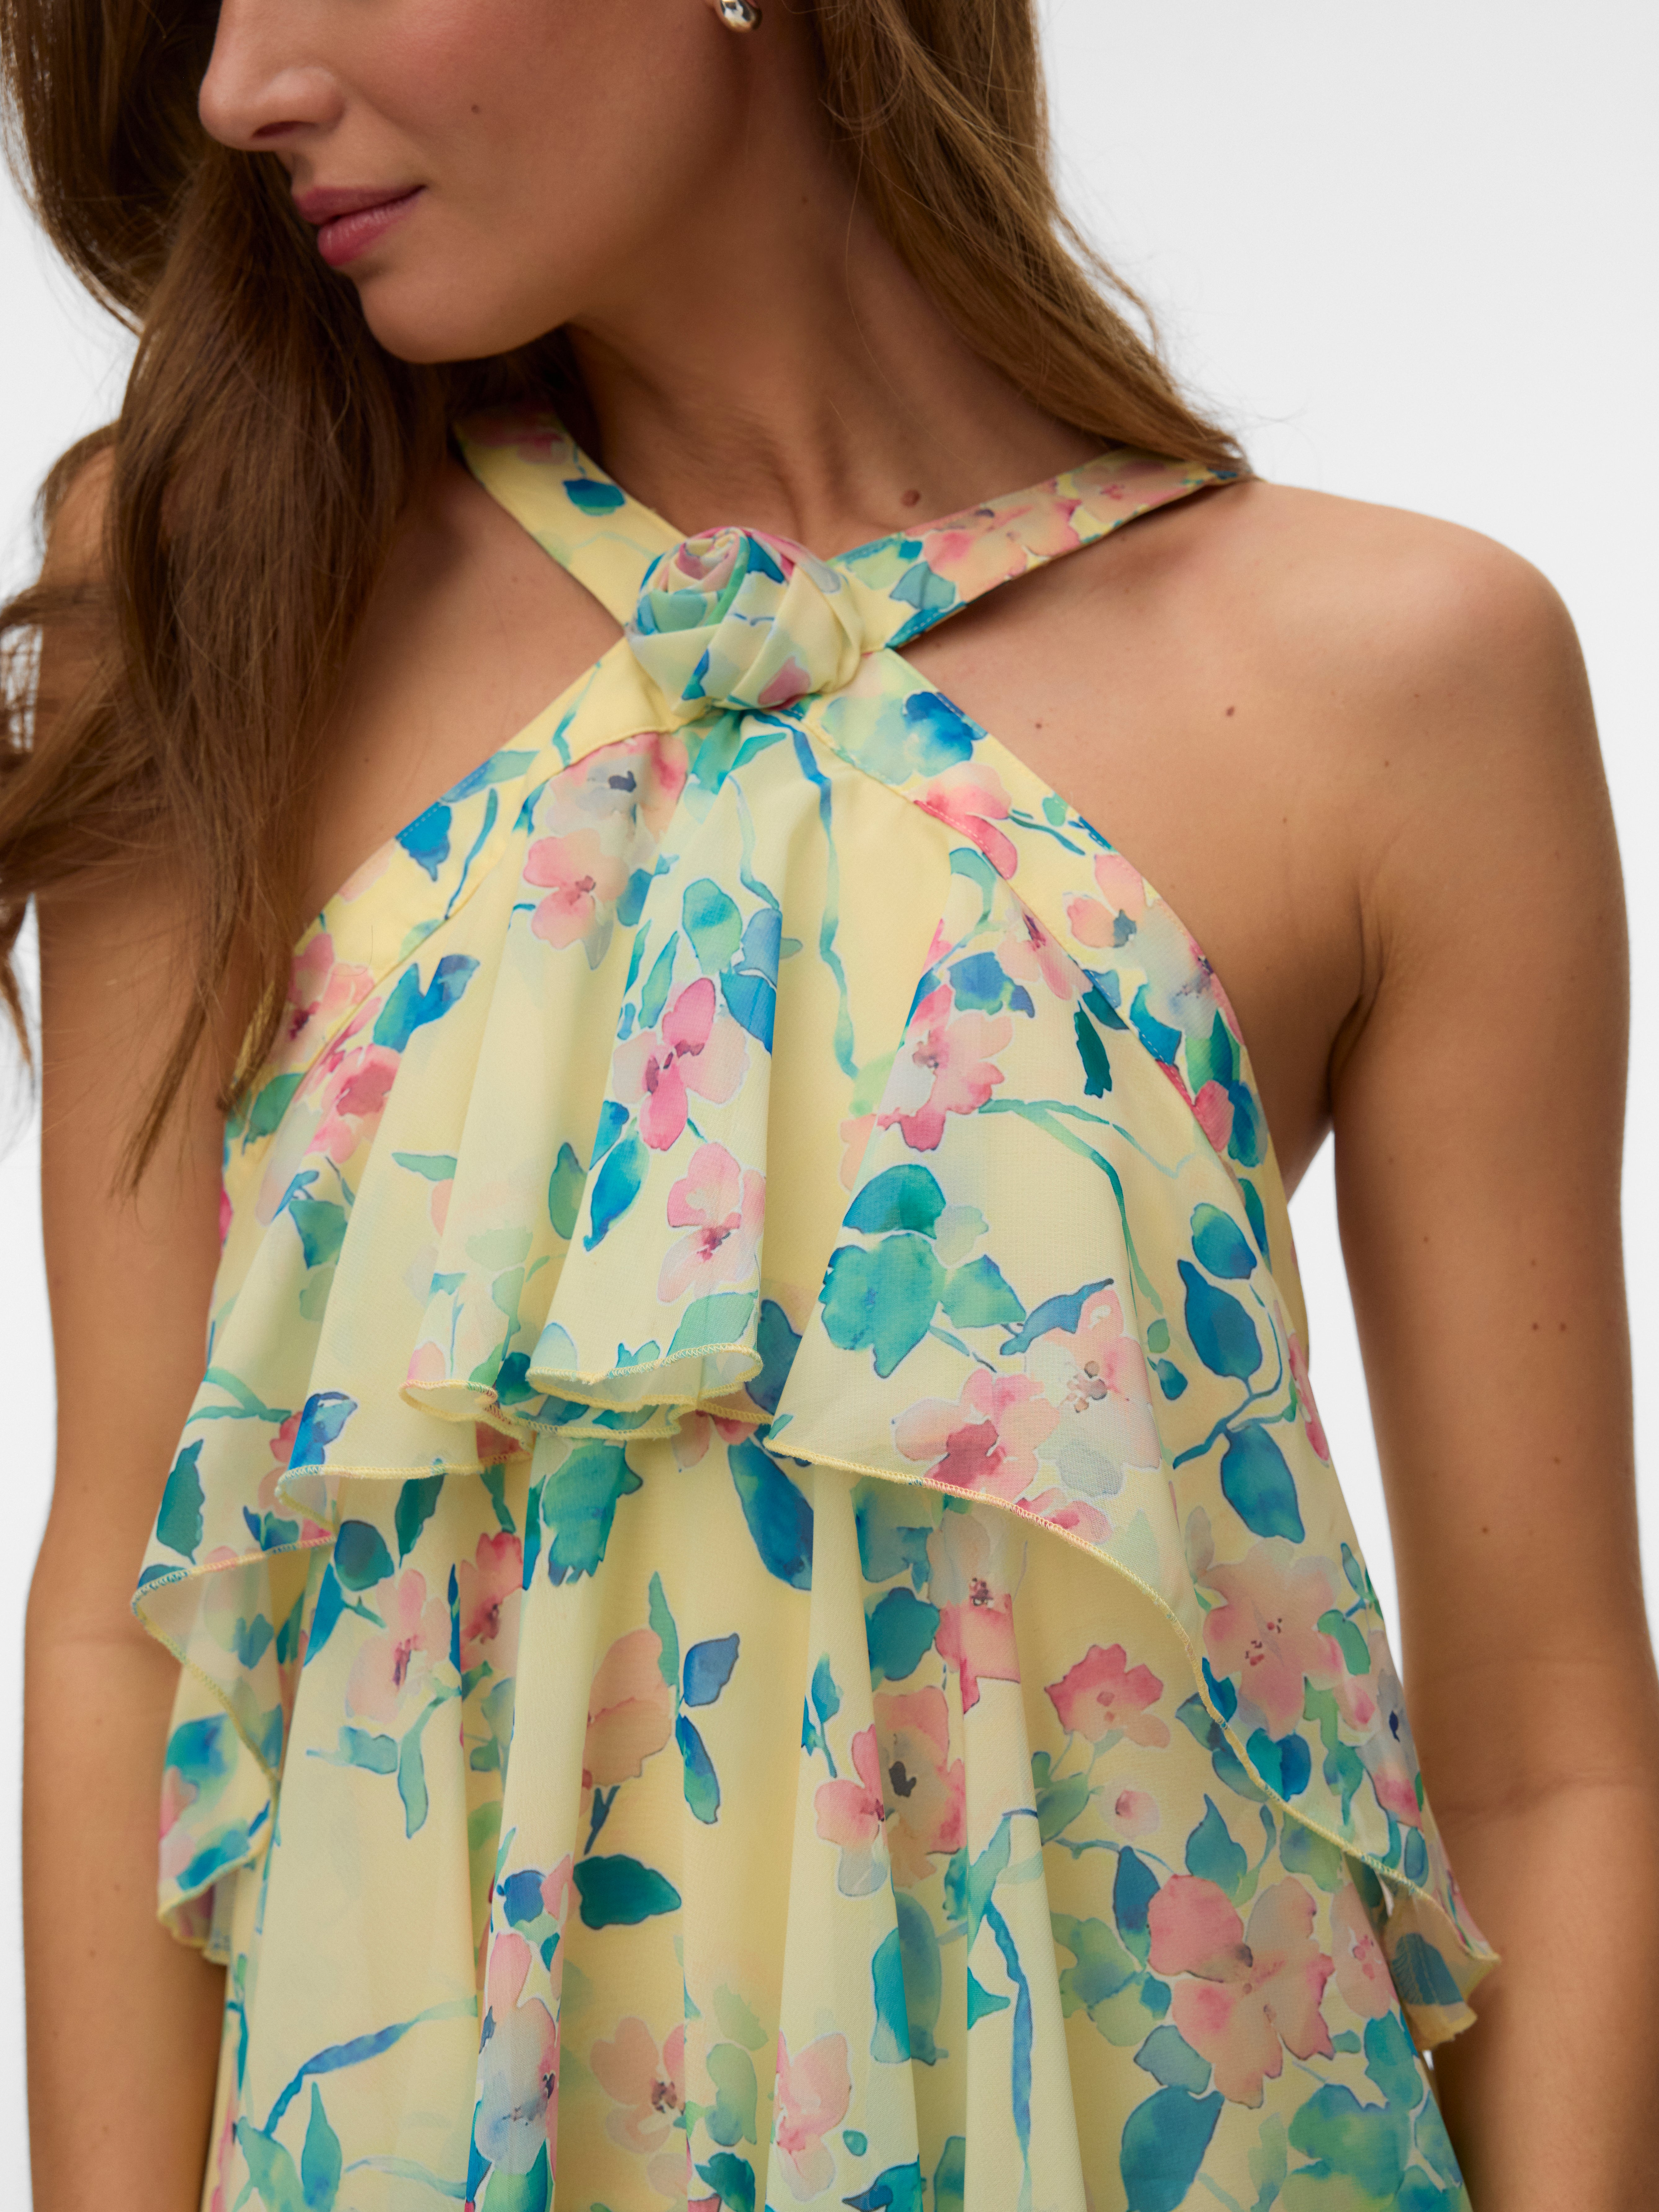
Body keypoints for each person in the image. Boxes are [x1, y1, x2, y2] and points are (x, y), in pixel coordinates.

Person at [2, 0, 1655, 2202]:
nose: (237, 89)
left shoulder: (1396, 675)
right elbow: (124, 1618)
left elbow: (1545, 1760)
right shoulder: (218, 588)